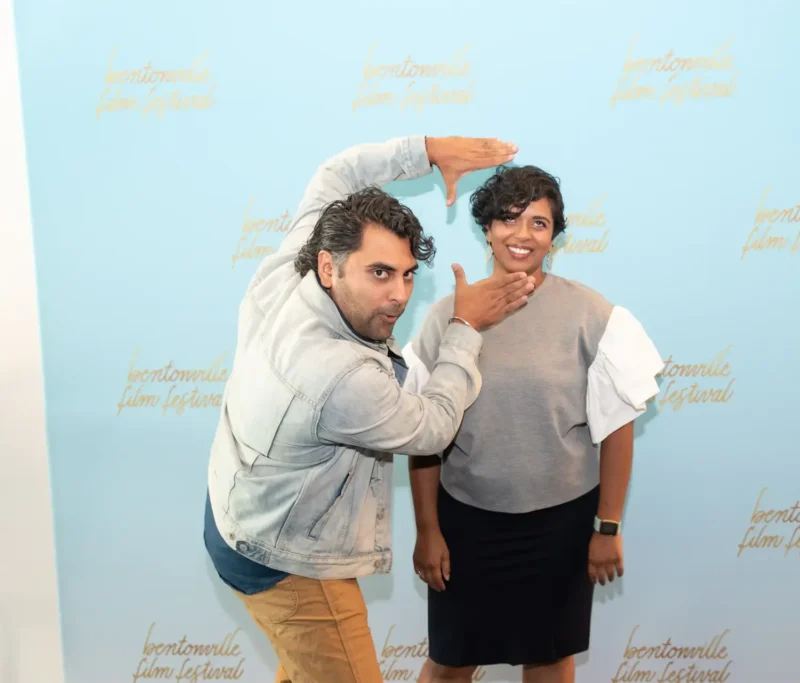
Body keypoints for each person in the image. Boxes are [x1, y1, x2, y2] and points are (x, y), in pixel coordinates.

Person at [203, 134, 538, 683]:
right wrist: (465, 327)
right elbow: (431, 427)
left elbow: (338, 170)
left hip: (234, 514)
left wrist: (428, 150)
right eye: (380, 273)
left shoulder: (295, 266)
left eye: (407, 274)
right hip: (282, 562)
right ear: (330, 267)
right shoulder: (341, 376)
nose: (400, 295)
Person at [402, 165, 663, 682]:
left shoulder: (592, 315)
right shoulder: (448, 316)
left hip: (560, 526)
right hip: (467, 524)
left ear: (554, 235)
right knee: (451, 661)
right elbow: (424, 436)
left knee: (550, 658)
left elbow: (616, 429)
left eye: (538, 223)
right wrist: (428, 530)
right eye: (508, 219)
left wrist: (606, 527)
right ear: (487, 228)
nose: (522, 235)